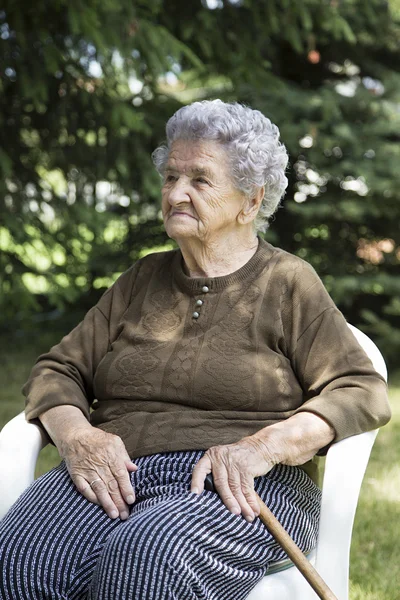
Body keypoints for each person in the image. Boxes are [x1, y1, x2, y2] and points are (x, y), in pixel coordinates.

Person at [0, 100, 390, 600]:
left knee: (148, 556)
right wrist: (78, 437)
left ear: (251, 201)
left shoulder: (287, 283)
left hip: (237, 485)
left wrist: (263, 447)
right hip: (115, 473)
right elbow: (58, 369)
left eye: (200, 181)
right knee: (18, 558)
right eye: (170, 177)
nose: (176, 193)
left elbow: (359, 390)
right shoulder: (141, 278)